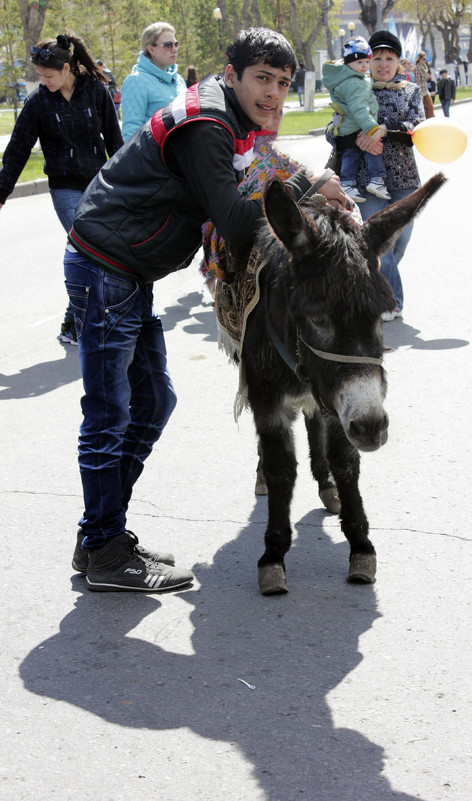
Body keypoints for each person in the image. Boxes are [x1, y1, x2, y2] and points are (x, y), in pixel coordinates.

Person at [64, 27, 347, 593]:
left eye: (283, 83)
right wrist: (311, 199)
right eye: (262, 79)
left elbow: (266, 164)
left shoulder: (232, 122)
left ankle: (101, 535)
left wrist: (315, 178)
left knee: (152, 402)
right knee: (110, 414)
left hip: (123, 268)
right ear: (232, 73)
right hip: (106, 266)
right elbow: (241, 225)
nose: (272, 93)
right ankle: (102, 549)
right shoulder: (209, 125)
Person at [0, 33, 123, 345]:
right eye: (39, 76)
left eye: (48, 75)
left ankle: (76, 320)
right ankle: (79, 322)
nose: (44, 81)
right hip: (64, 187)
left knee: (100, 251)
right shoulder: (38, 103)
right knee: (85, 247)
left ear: (67, 68)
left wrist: (126, 182)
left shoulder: (95, 90)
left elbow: (114, 139)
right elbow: (17, 152)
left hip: (99, 183)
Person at [351, 30, 425, 319]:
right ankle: (390, 301)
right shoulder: (355, 89)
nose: (383, 64)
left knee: (399, 243)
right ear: (369, 61)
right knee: (379, 242)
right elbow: (333, 130)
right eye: (377, 58)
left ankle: (379, 284)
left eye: (389, 58)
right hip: (365, 179)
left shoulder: (410, 91)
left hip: (404, 180)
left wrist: (385, 129)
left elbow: (417, 127)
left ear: (398, 62)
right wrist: (355, 138)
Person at [322, 36, 390, 202]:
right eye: (359, 63)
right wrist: (371, 128)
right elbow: (359, 108)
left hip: (348, 127)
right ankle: (377, 179)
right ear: (348, 64)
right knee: (372, 149)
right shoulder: (355, 83)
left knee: (350, 155)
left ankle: (346, 183)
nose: (364, 67)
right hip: (358, 126)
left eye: (367, 62)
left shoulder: (349, 79)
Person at [120, 21, 187, 140]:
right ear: (151, 49)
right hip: (155, 156)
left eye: (176, 44)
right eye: (168, 45)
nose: (174, 49)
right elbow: (132, 132)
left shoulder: (179, 80)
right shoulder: (136, 81)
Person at [414, 50, 434, 118]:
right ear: (419, 59)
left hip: (425, 89)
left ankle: (430, 119)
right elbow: (418, 81)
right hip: (421, 90)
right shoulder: (417, 67)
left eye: (425, 59)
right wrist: (419, 92)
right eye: (423, 59)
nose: (425, 60)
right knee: (422, 107)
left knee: (430, 106)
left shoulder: (424, 66)